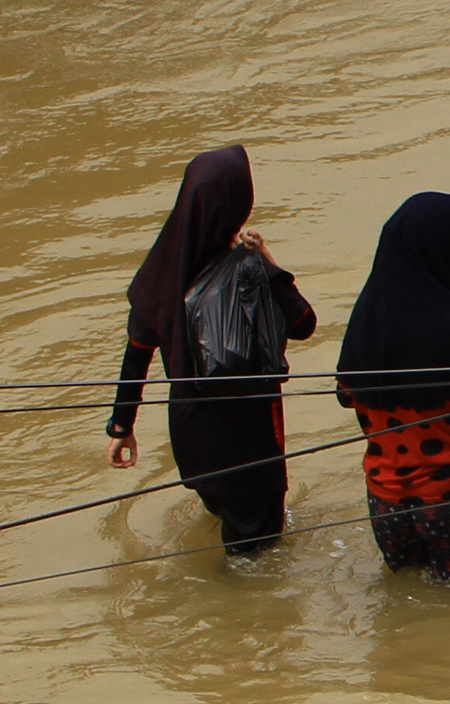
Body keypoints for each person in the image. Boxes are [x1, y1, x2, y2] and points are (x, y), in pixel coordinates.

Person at [106, 146, 316, 557]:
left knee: (229, 522)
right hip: (249, 445)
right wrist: (269, 262)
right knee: (255, 561)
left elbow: (136, 357)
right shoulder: (248, 271)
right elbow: (304, 324)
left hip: (192, 443)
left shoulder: (159, 273)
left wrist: (121, 428)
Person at [334, 191, 450, 579]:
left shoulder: (368, 318)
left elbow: (346, 395)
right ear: (437, 247)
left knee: (406, 602)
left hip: (385, 502)